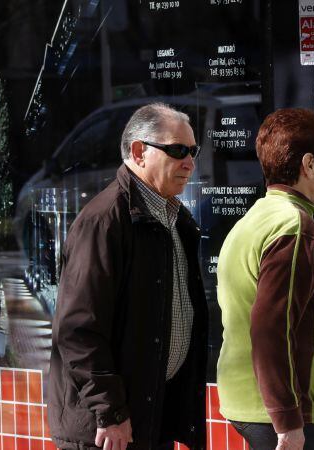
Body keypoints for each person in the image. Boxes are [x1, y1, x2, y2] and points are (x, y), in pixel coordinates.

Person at [48, 102, 208, 450]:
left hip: (149, 418)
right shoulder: (104, 221)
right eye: (178, 150)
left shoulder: (174, 219)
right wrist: (111, 412)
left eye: (193, 151)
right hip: (107, 431)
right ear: (139, 152)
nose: (190, 162)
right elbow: (77, 331)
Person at [216, 108, 314, 450]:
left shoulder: (257, 218)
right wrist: (288, 420)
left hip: (262, 406)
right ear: (308, 165)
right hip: (284, 413)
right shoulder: (293, 227)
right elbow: (271, 328)